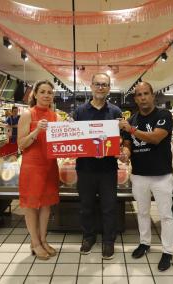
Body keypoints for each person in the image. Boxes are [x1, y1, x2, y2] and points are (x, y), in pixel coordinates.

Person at [119, 82, 173, 271]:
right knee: (142, 212)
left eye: (146, 94)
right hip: (139, 175)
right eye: (139, 95)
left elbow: (156, 138)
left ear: (153, 96)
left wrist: (132, 130)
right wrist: (125, 153)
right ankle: (144, 243)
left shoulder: (163, 115)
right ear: (135, 99)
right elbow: (127, 144)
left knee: (166, 215)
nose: (142, 97)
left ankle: (167, 251)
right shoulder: (132, 119)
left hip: (162, 175)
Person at [73, 73, 122, 260]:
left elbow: (121, 139)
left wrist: (123, 148)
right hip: (85, 168)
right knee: (86, 206)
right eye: (98, 84)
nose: (101, 87)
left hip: (108, 169)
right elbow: (74, 137)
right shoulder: (79, 112)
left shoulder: (116, 112)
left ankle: (108, 241)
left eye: (105, 84)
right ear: (91, 86)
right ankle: (88, 237)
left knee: (109, 207)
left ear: (109, 88)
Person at [17, 80, 60, 260]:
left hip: (50, 165)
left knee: (46, 205)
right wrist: (36, 132)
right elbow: (21, 144)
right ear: (35, 94)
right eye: (42, 92)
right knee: (31, 206)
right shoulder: (28, 114)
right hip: (32, 166)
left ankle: (43, 240)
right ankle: (34, 243)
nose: (46, 95)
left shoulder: (55, 115)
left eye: (49, 92)